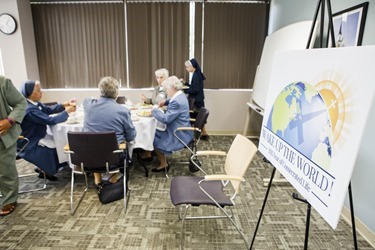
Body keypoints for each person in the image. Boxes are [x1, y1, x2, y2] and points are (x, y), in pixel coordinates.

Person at [83, 76, 136, 187]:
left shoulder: (87, 104)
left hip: (89, 158)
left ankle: (97, 180)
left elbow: (86, 100)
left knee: (94, 144)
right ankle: (113, 180)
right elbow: (131, 136)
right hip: (114, 160)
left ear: (100, 91)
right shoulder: (123, 111)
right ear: (117, 93)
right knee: (122, 145)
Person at [19, 80, 76, 181]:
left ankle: (44, 169)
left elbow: (48, 110)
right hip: (29, 141)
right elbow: (51, 120)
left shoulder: (33, 103)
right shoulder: (30, 110)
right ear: (30, 93)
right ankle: (46, 169)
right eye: (38, 90)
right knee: (59, 144)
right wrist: (66, 112)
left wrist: (63, 105)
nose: (41, 92)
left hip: (38, 134)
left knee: (59, 141)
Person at [151, 76, 193, 172]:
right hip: (183, 130)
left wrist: (154, 110)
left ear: (172, 88)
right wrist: (165, 101)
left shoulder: (177, 102)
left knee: (152, 136)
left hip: (178, 134)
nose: (166, 91)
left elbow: (166, 119)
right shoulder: (181, 95)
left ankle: (163, 163)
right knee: (155, 131)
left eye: (166, 89)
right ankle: (161, 160)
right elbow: (173, 99)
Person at [0, 76, 27, 216]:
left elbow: (21, 103)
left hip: (2, 134)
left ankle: (9, 199)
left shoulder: (3, 82)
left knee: (5, 170)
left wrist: (10, 120)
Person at [181, 58, 209, 140]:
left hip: (197, 101)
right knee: (199, 117)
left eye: (187, 67)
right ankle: (204, 134)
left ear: (192, 66)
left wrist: (184, 89)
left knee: (196, 118)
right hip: (198, 100)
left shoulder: (196, 76)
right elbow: (193, 86)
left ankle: (194, 136)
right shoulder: (196, 74)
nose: (186, 69)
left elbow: (195, 90)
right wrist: (185, 83)